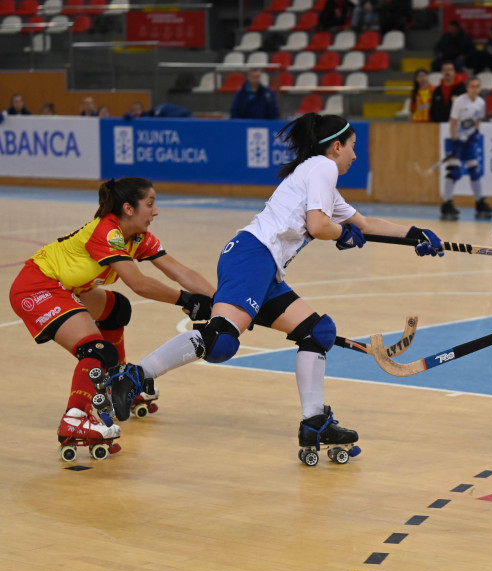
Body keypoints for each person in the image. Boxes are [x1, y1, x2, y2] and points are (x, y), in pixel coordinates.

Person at [104, 114, 446, 462]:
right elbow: (319, 224)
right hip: (252, 255)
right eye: (353, 149)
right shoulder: (322, 167)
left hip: (265, 267)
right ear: (336, 146)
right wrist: (342, 235)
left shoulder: (321, 181)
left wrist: (415, 235)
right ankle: (134, 376)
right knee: (221, 340)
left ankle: (315, 422)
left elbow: (365, 224)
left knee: (318, 332)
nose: (355, 157)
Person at [8, 177, 216, 459]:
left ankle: (119, 381)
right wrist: (186, 301)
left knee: (117, 309)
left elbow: (180, 272)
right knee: (96, 349)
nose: (156, 211)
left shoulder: (138, 237)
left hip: (69, 287)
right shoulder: (108, 232)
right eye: (150, 204)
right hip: (39, 286)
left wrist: (223, 302)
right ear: (128, 208)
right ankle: (74, 418)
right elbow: (139, 283)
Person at [440, 77, 492, 222]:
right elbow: (453, 122)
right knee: (454, 171)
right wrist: (455, 140)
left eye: (477, 86)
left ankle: (480, 202)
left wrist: (475, 132)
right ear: (467, 88)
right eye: (472, 86)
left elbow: (478, 119)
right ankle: (446, 203)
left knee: (474, 170)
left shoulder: (481, 102)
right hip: (453, 139)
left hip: (468, 141)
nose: (474, 89)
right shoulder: (460, 102)